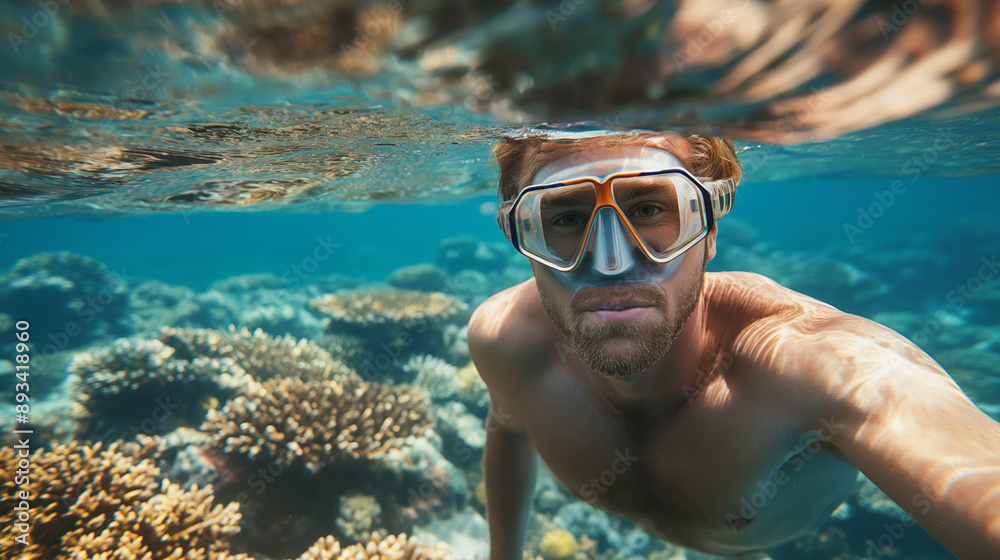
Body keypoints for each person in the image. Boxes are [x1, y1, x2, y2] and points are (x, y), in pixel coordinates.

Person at [467, 130, 1000, 559]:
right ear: (522, 238)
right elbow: (507, 426)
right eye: (564, 218)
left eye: (651, 209)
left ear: (711, 227)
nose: (611, 262)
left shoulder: (816, 367)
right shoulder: (505, 343)